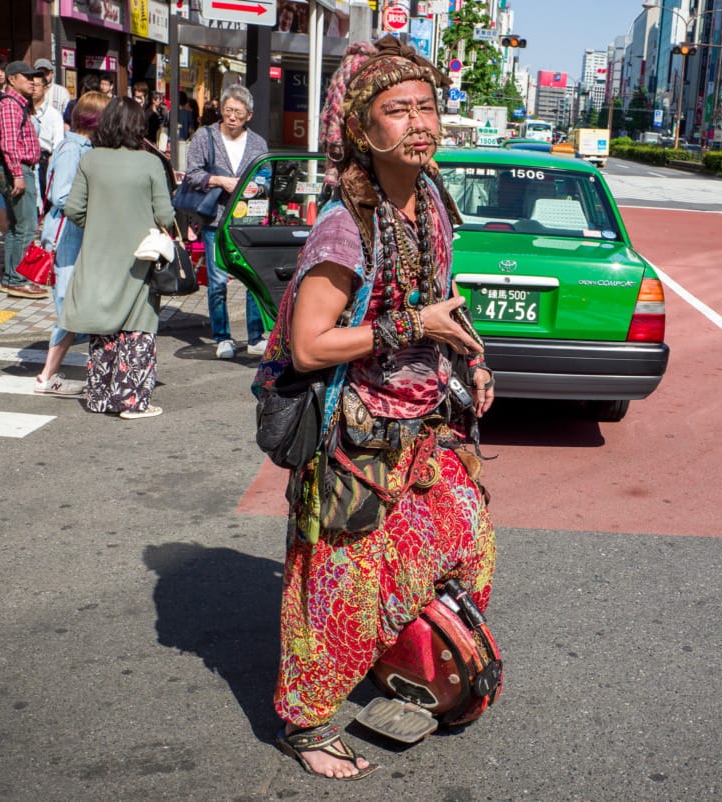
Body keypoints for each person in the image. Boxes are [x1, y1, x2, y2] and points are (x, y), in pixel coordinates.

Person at [255, 35, 496, 781]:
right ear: (362, 130)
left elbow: (435, 305)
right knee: (336, 585)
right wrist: (409, 327)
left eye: (428, 107)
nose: (419, 123)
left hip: (423, 425)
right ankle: (306, 721)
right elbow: (307, 346)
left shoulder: (429, 201)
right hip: (354, 436)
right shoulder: (344, 225)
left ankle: (393, 655)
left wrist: (469, 353)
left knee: (465, 537)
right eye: (398, 111)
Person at [60, 97, 174, 419]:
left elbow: (73, 208)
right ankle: (131, 402)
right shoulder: (150, 163)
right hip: (141, 257)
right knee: (137, 326)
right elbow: (165, 214)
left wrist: (97, 223)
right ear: (138, 126)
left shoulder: (91, 160)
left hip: (98, 255)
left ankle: (100, 397)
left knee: (104, 326)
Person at [183, 84, 268, 358]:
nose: (232, 117)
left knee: (252, 279)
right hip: (214, 218)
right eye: (228, 110)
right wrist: (219, 180)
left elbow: (266, 178)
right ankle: (223, 337)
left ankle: (255, 336)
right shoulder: (204, 137)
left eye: (238, 113)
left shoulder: (258, 143)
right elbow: (192, 174)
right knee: (218, 280)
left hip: (248, 220)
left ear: (249, 116)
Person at [33, 90, 109, 396]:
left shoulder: (82, 147)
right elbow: (61, 195)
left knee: (73, 305)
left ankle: (51, 373)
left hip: (73, 233)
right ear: (96, 120)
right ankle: (46, 375)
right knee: (68, 305)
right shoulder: (71, 149)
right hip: (66, 235)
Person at [0, 61, 47, 299]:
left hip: (18, 170)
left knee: (17, 227)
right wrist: (17, 174)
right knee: (26, 227)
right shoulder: (10, 106)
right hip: (17, 170)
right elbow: (9, 144)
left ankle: (11, 277)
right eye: (27, 77)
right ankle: (17, 279)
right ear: (12, 79)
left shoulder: (17, 105)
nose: (32, 81)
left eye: (34, 77)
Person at [32, 72, 65, 209]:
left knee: (44, 205)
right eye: (31, 85)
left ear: (45, 88)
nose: (33, 88)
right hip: (25, 159)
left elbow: (58, 143)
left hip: (44, 160)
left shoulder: (54, 115)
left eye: (37, 85)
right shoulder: (22, 111)